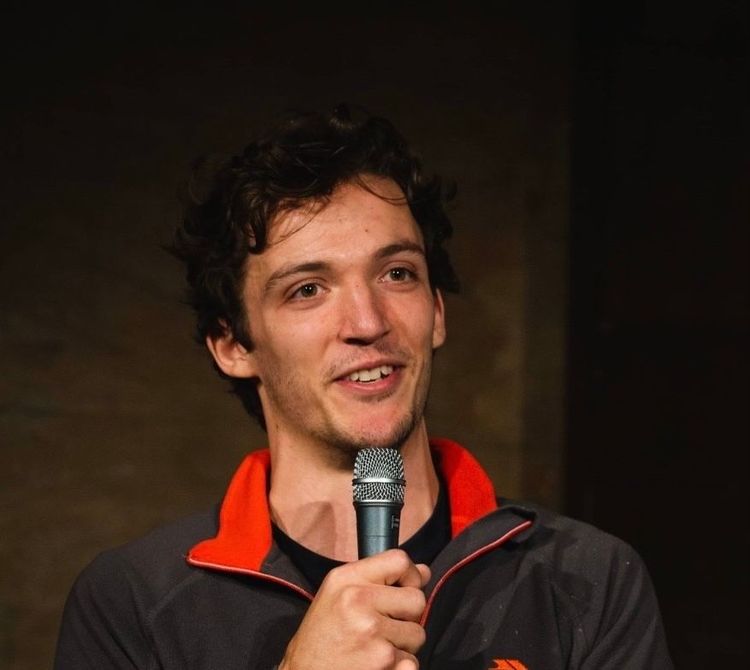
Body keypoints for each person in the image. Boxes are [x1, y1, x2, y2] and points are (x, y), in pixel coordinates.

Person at [54, 105, 673, 669]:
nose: (369, 323)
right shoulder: (132, 602)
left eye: (397, 273)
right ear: (234, 346)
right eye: (307, 290)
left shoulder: (590, 578)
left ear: (436, 311)